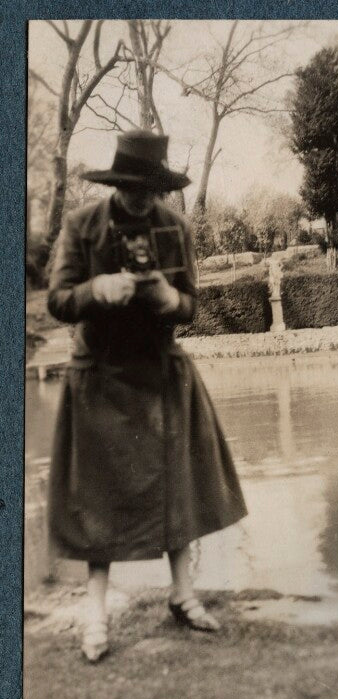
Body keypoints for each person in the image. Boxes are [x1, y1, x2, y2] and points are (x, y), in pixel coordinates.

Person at [47, 130, 247, 662]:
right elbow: (58, 301)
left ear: (159, 188)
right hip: (100, 377)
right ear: (116, 183)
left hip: (160, 373)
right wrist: (96, 291)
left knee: (176, 483)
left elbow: (191, 307)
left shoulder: (175, 226)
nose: (140, 197)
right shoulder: (81, 225)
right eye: (131, 187)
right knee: (97, 499)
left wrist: (166, 296)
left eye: (149, 189)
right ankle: (96, 613)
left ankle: (182, 594)